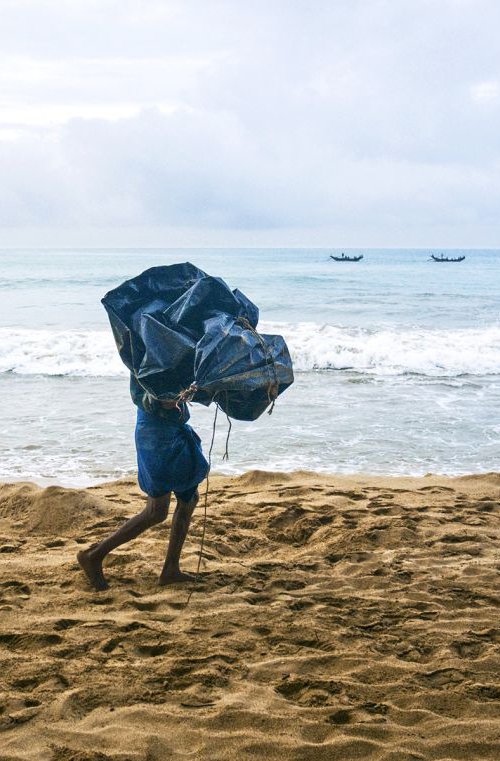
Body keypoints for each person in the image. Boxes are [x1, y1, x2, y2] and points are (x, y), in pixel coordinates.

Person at [77, 375, 209, 591]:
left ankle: (171, 570)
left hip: (173, 430)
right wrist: (169, 397)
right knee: (156, 511)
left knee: (189, 498)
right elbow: (153, 396)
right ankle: (93, 555)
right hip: (156, 436)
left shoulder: (169, 350)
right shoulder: (149, 355)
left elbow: (181, 388)